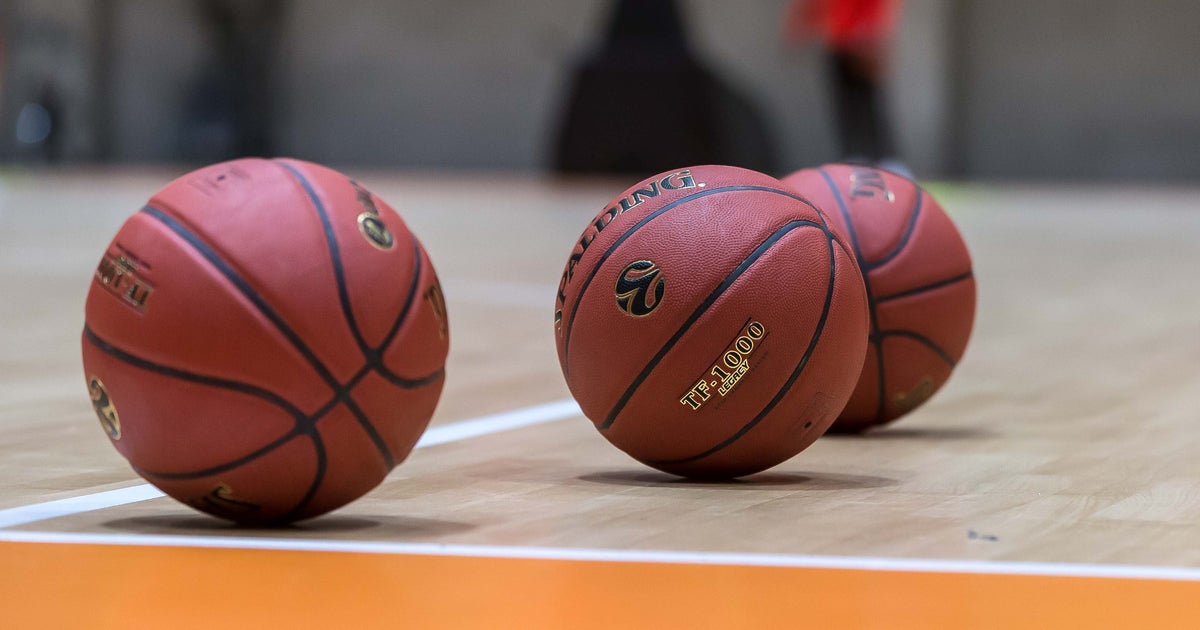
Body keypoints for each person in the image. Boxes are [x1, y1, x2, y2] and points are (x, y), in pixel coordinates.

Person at [786, 0, 906, 173]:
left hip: (862, 44)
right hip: (838, 43)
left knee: (869, 108)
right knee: (847, 109)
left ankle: (888, 162)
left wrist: (871, 33)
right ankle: (855, 160)